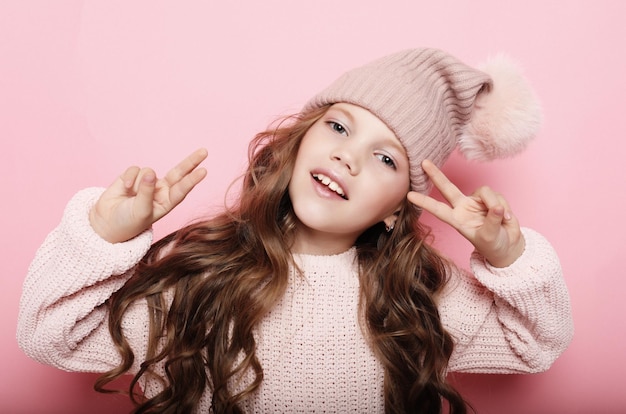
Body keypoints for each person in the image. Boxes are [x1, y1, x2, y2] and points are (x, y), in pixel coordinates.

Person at [17, 48, 574, 413]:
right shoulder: (203, 279)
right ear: (299, 142)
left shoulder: (417, 299)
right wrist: (103, 237)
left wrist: (511, 258)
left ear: (396, 209)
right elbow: (48, 336)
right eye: (337, 126)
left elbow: (537, 347)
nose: (347, 157)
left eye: (385, 159)